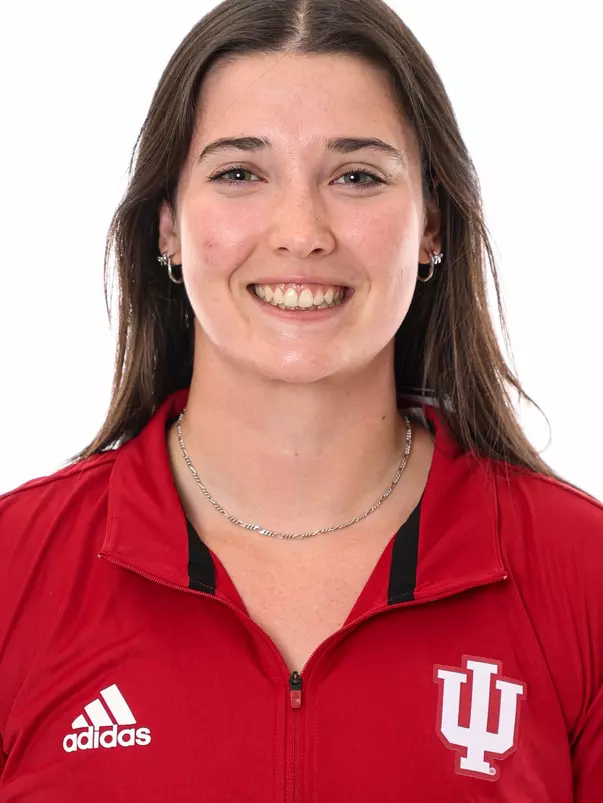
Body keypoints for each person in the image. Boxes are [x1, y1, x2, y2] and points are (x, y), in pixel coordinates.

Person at [1, 0, 601, 800]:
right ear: (168, 228)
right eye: (239, 173)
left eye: (356, 175)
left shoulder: (579, 572)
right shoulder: (17, 568)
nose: (300, 231)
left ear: (431, 226)